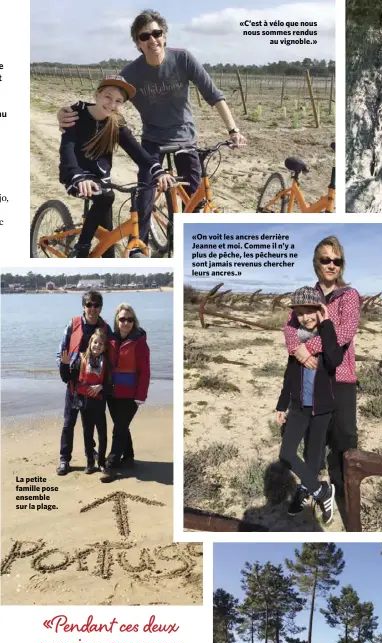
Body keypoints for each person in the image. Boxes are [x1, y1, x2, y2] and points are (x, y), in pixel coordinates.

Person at [57, 9, 247, 246]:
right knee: (144, 194)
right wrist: (66, 111)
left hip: (184, 138)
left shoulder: (183, 59)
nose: (152, 40)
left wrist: (233, 130)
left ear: (164, 35)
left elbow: (214, 95)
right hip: (153, 139)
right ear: (138, 44)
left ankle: (191, 245)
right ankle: (140, 246)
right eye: (144, 37)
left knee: (195, 197)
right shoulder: (131, 73)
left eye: (156, 33)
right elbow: (105, 100)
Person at [283, 236, 361, 506]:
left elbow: (345, 333)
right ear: (317, 263)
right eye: (326, 259)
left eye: (336, 260)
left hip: (340, 376)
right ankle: (311, 487)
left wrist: (308, 348)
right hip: (313, 377)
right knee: (313, 438)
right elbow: (289, 327)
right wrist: (296, 350)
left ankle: (344, 490)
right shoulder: (309, 295)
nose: (331, 265)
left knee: (344, 436)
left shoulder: (349, 296)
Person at [59, 74, 173, 257]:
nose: (112, 104)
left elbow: (138, 153)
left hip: (101, 179)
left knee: (108, 243)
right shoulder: (76, 113)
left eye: (118, 101)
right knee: (107, 198)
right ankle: (81, 247)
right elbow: (67, 148)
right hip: (75, 175)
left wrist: (158, 171)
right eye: (108, 97)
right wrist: (77, 176)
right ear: (97, 95)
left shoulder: (116, 122)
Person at [277, 287, 344, 524]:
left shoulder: (328, 335)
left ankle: (307, 491)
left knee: (313, 457)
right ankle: (322, 491)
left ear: (319, 310)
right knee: (286, 454)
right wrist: (281, 405)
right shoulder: (294, 341)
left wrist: (326, 324)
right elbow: (289, 375)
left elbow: (335, 359)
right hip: (298, 407)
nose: (306, 317)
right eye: (300, 312)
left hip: (322, 408)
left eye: (310, 312)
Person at [56, 290, 111, 475]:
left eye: (96, 305)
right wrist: (64, 367)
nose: (92, 309)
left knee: (92, 426)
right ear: (83, 306)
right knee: (68, 423)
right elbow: (61, 353)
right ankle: (64, 459)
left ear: (101, 308)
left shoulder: (106, 329)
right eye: (89, 304)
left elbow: (112, 360)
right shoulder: (72, 325)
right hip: (74, 387)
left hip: (95, 390)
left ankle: (93, 454)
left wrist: (104, 385)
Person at [101, 304, 150, 483]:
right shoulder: (110, 339)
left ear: (134, 321)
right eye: (122, 319)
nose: (126, 322)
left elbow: (145, 371)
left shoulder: (140, 342)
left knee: (118, 428)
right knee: (121, 426)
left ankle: (110, 464)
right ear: (117, 320)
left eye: (129, 319)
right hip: (112, 394)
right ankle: (128, 458)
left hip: (131, 396)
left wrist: (140, 396)